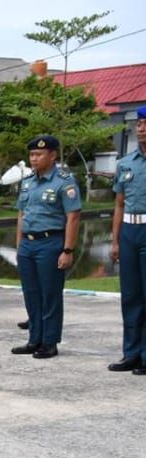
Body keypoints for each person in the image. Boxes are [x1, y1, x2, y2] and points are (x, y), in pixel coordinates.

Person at [13, 135, 82, 360]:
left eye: (39, 154)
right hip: (28, 244)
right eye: (32, 154)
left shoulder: (64, 181)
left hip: (50, 243)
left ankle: (50, 342)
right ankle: (35, 339)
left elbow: (73, 217)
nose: (34, 159)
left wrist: (68, 250)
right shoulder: (27, 182)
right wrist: (19, 244)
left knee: (50, 295)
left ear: (52, 155)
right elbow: (21, 215)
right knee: (31, 294)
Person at [110, 106, 146, 375]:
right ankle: (131, 353)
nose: (141, 128)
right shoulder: (126, 163)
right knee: (131, 296)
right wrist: (115, 241)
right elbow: (119, 204)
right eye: (139, 124)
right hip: (130, 232)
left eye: (145, 123)